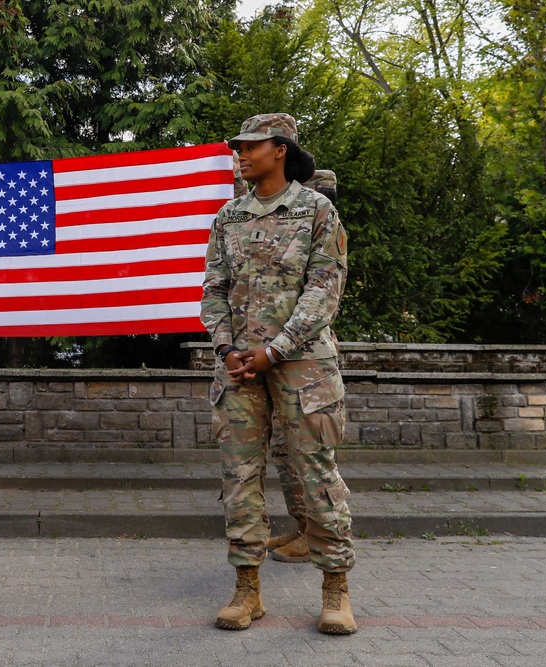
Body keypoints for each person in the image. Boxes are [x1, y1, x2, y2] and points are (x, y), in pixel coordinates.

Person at [201, 114, 356, 634]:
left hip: (304, 367)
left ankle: (335, 589)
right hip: (239, 370)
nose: (240, 154)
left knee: (317, 477)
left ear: (281, 149)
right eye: (238, 147)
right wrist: (225, 347)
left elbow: (324, 291)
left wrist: (275, 350)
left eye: (250, 146)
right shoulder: (228, 217)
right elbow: (214, 289)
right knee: (240, 480)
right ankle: (247, 590)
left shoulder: (317, 211)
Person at [266, 169, 339, 565]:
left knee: (311, 453)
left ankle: (322, 537)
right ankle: (302, 526)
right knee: (283, 448)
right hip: (281, 351)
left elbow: (321, 293)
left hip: (306, 356)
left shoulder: (321, 223)